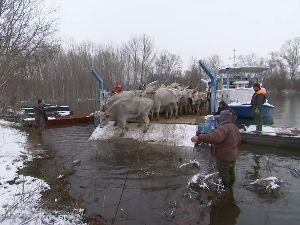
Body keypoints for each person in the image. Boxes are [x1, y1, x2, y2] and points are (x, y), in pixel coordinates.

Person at [191, 110, 241, 190]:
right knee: (231, 173)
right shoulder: (234, 127)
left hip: (224, 157)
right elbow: (239, 141)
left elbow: (213, 137)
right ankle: (230, 190)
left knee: (224, 175)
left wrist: (199, 137)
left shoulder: (223, 128)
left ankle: (225, 192)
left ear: (223, 118)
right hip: (232, 156)